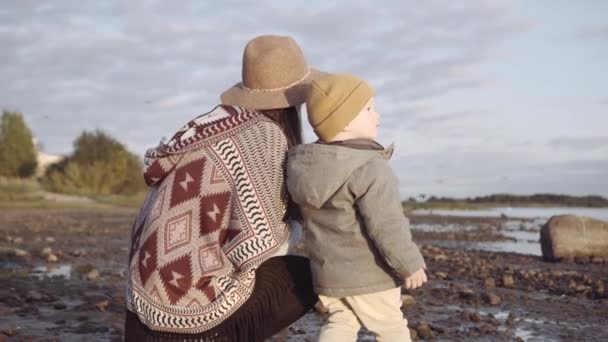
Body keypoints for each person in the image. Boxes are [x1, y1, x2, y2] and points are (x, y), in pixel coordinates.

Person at [124, 35, 324, 341]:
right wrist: (300, 227)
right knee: (313, 275)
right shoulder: (263, 135)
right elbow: (259, 247)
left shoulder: (209, 126)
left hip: (140, 311)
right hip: (186, 321)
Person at [286, 74, 427, 341]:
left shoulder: (306, 169)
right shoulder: (370, 168)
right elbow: (387, 226)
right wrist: (409, 264)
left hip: (329, 275)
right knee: (391, 327)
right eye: (369, 108)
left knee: (340, 323)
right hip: (369, 275)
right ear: (345, 120)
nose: (378, 116)